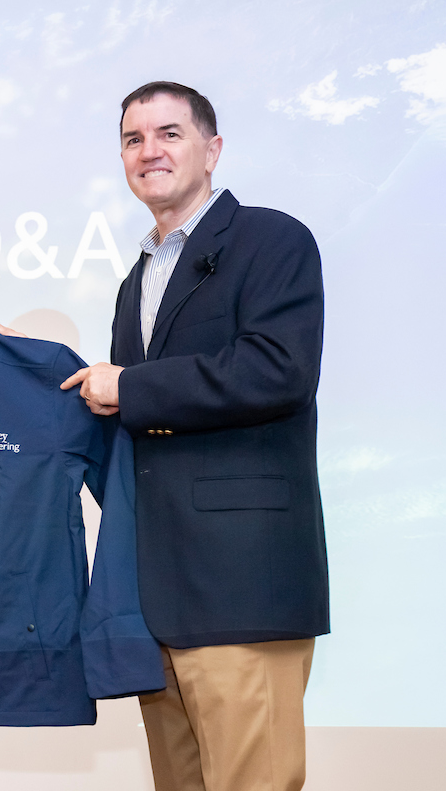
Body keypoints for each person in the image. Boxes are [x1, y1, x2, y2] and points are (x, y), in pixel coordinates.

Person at [62, 82, 328, 791]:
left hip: (243, 589)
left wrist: (130, 387)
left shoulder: (273, 240)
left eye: (169, 133)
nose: (149, 151)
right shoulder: (135, 280)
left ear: (212, 149)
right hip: (158, 596)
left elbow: (279, 371)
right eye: (132, 139)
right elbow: (135, 423)